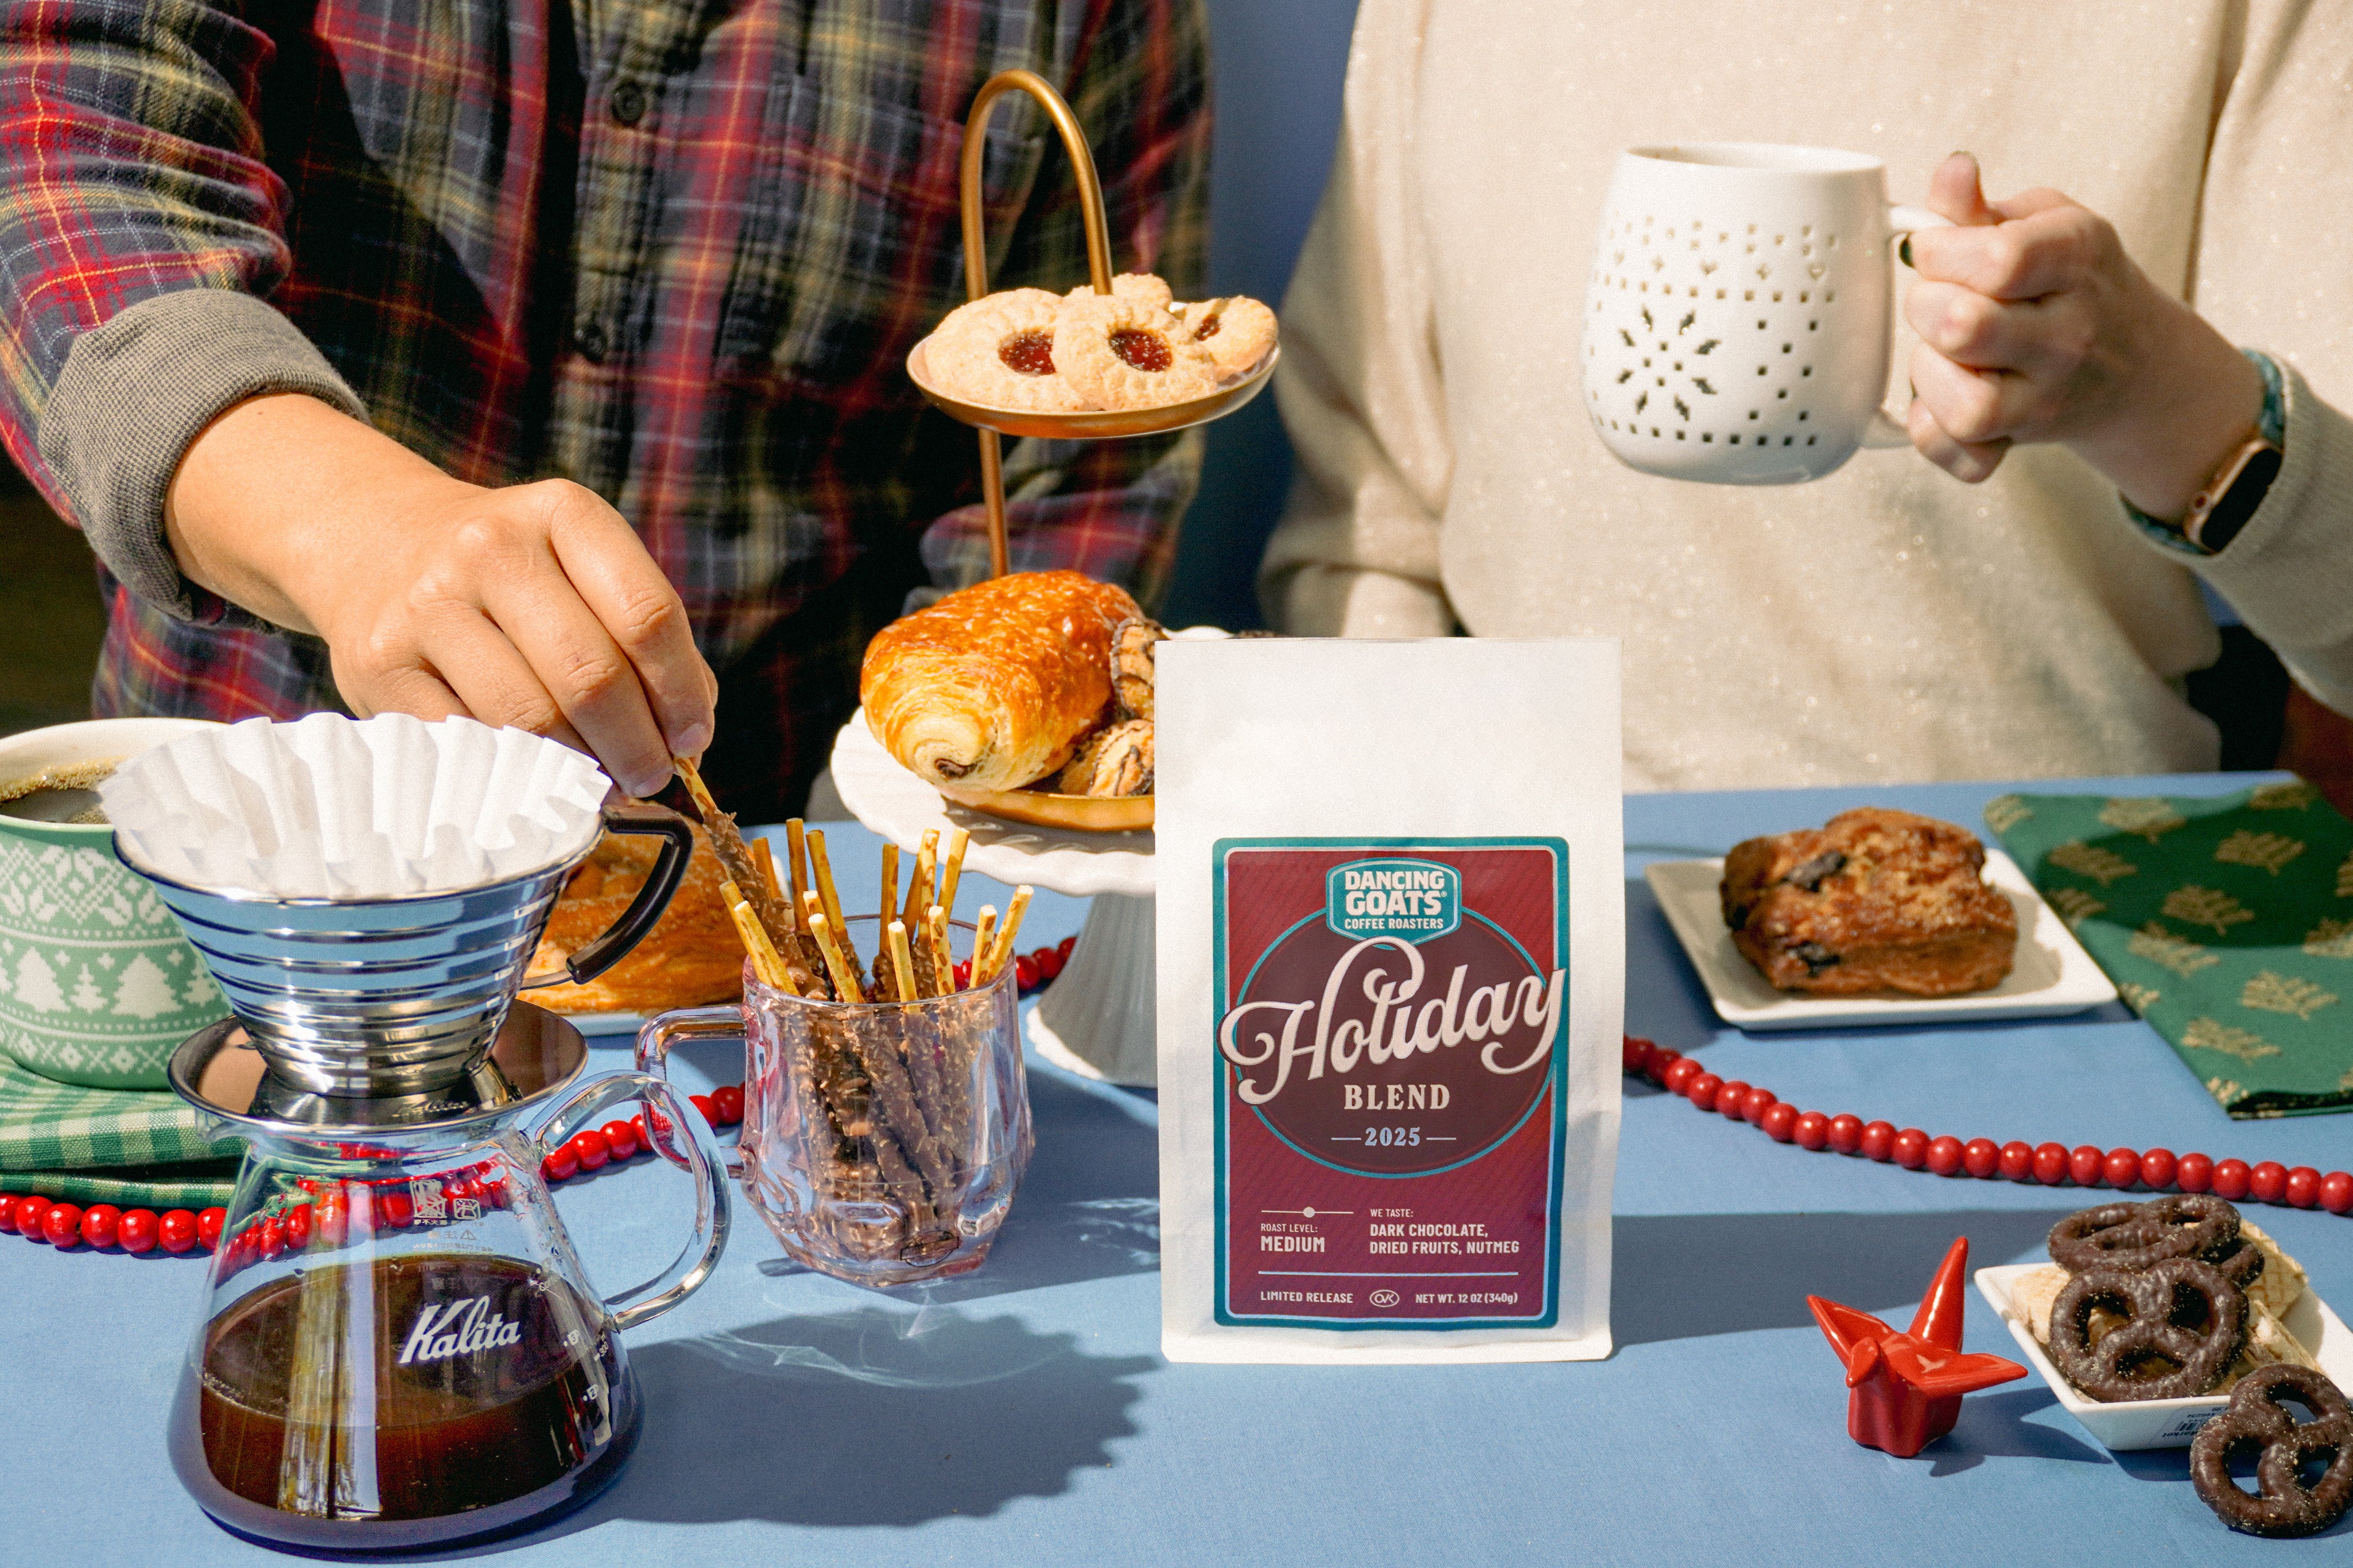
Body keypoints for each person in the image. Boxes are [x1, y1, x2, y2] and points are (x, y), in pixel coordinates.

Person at [0, 1, 1208, 817]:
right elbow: (55, 142)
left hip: (773, 895)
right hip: (251, 855)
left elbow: (1082, 460)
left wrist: (896, 855)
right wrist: (348, 526)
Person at [1264, 0, 2353, 792]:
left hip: (2058, 909)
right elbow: (1364, 530)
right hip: (1556, 926)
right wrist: (1410, 848)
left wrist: (2161, 396)